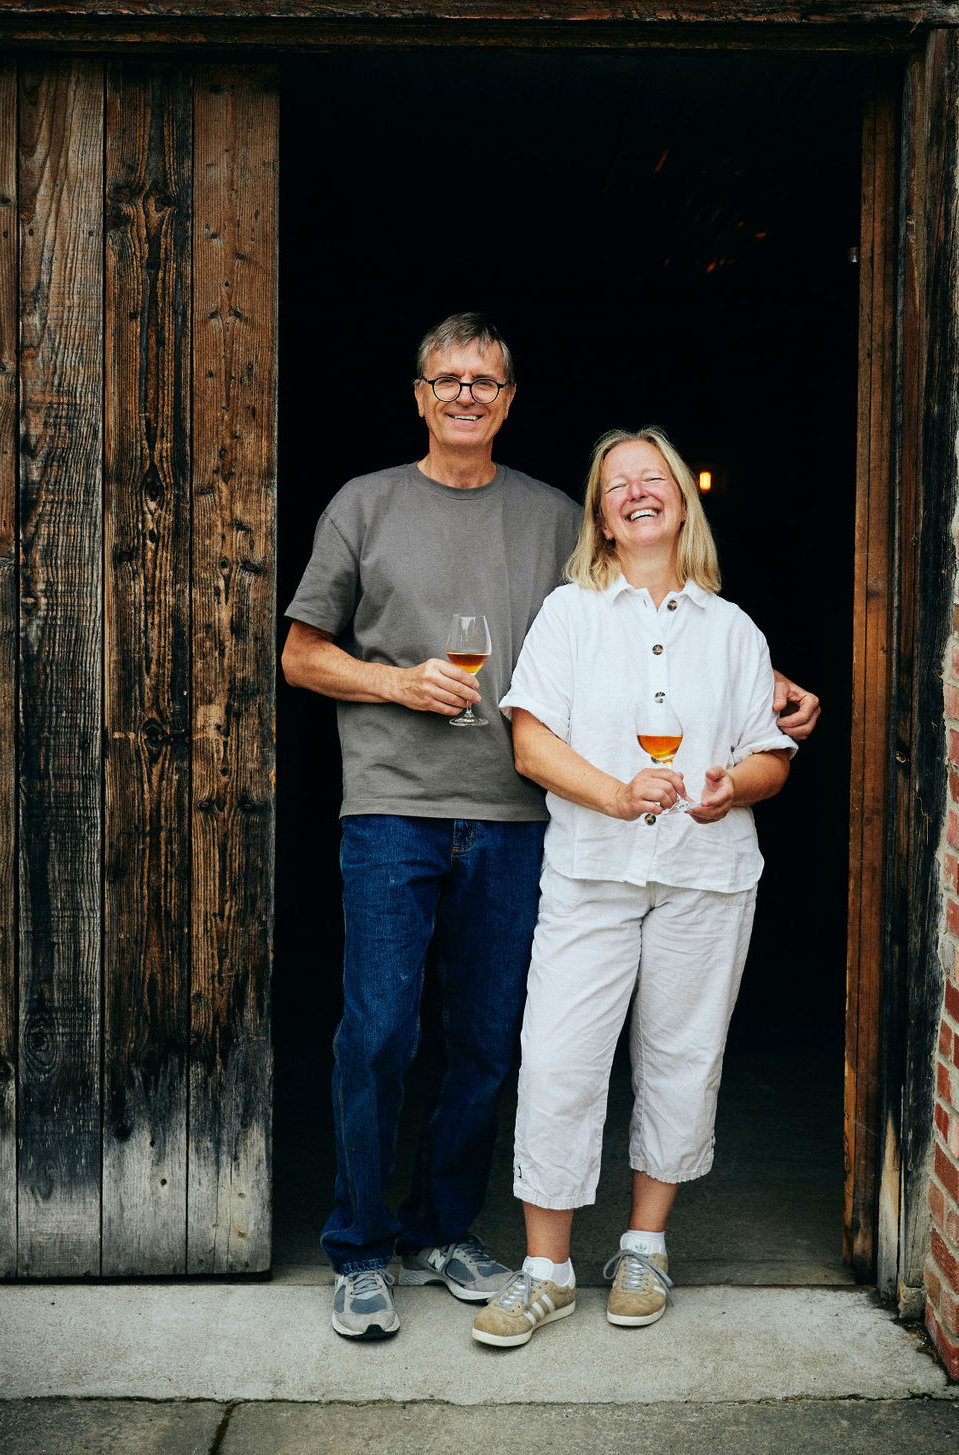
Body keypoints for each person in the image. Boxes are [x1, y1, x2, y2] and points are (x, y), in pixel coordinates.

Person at [281, 316, 819, 1343]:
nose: (467, 393)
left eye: (486, 379)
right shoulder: (366, 502)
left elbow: (657, 629)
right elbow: (300, 655)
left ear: (512, 397)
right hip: (398, 803)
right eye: (448, 378)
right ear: (419, 392)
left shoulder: (551, 519)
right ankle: (359, 1242)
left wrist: (762, 685)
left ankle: (444, 1230)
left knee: (486, 1045)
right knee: (381, 1030)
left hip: (517, 819)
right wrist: (398, 679)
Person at [472, 427, 796, 1349]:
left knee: (682, 1059)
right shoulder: (570, 615)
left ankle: (645, 1245)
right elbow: (531, 743)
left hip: (707, 875)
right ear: (602, 518)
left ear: (682, 503)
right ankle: (546, 1272)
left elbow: (769, 755)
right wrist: (616, 794)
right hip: (592, 874)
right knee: (560, 1059)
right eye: (619, 484)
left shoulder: (733, 631)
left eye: (654, 478)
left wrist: (736, 784)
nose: (639, 491)